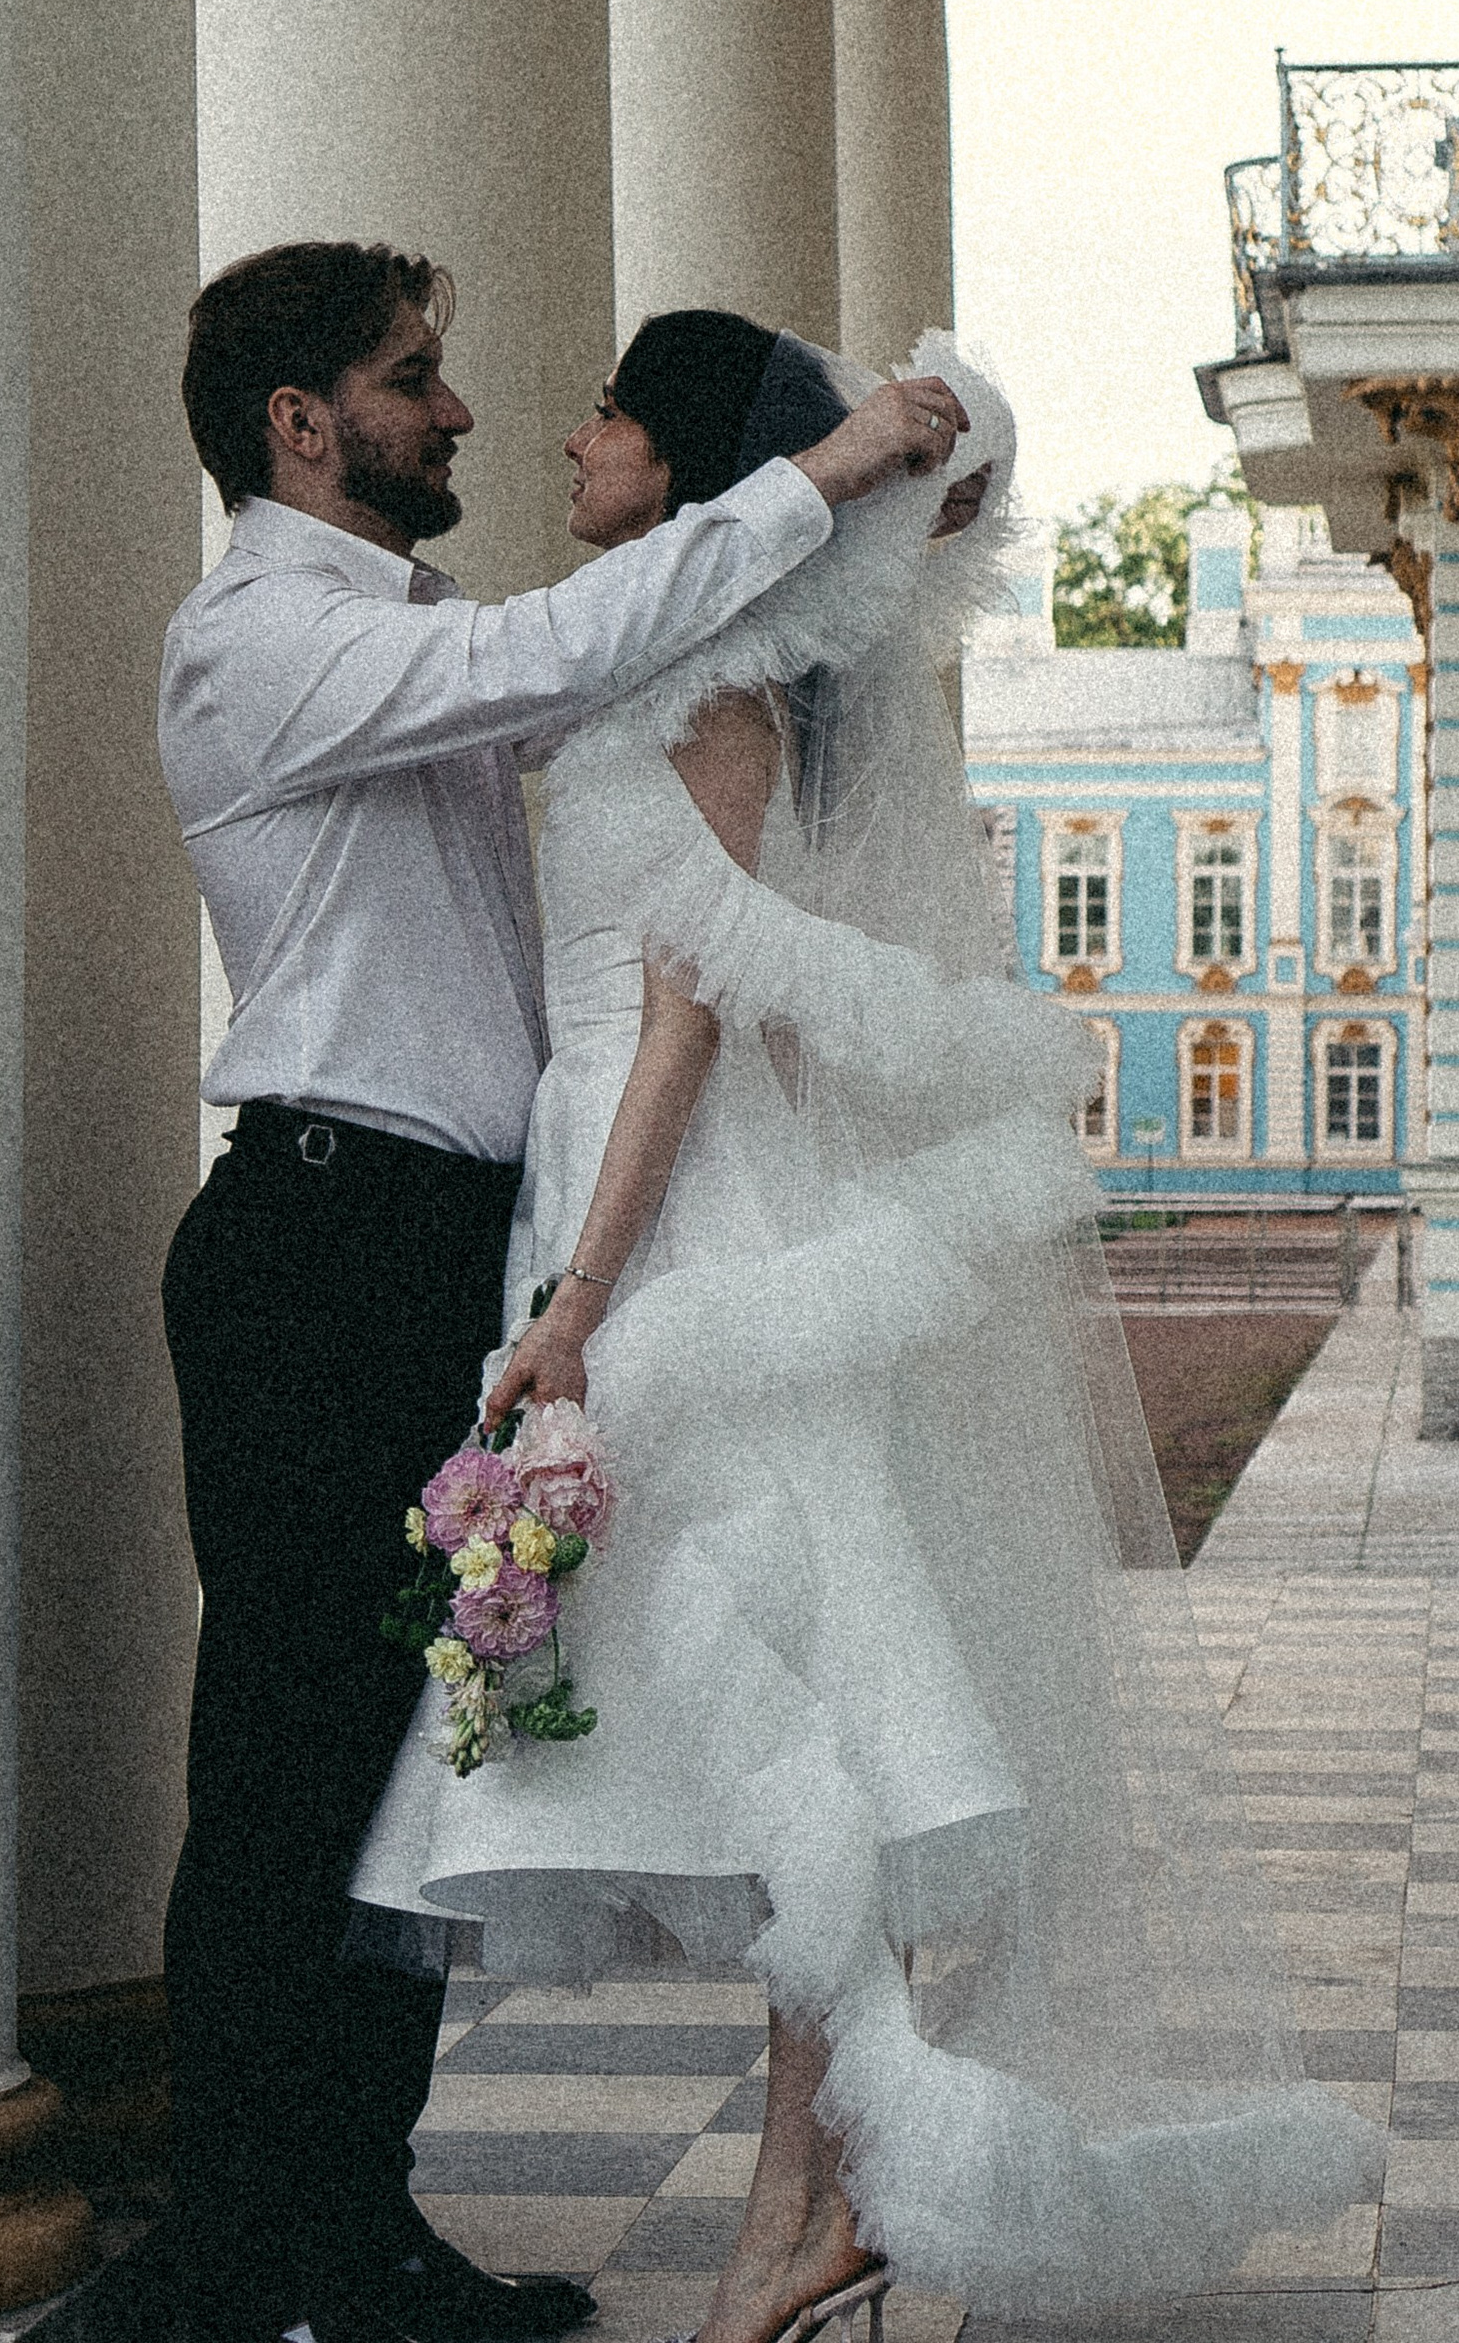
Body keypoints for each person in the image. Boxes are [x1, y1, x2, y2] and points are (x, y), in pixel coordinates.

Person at [354, 313, 1385, 2343]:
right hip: (617, 1193)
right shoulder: (659, 658)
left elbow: (682, 1021)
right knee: (768, 1738)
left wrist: (579, 1301)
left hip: (676, 1223)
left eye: (606, 413)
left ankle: (794, 2219)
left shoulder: (724, 691)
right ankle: (809, 2210)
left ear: (683, 458)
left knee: (827, 1723)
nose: (568, 439)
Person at [150, 246, 969, 2343]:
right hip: (321, 1236)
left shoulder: (414, 625)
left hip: (442, 1238)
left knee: (387, 1780)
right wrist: (822, 470)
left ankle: (359, 2232)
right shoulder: (259, 640)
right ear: (297, 427)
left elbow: (628, 680)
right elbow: (565, 645)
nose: (468, 415)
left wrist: (860, 543)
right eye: (417, 380)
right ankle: (247, 2263)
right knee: (287, 1771)